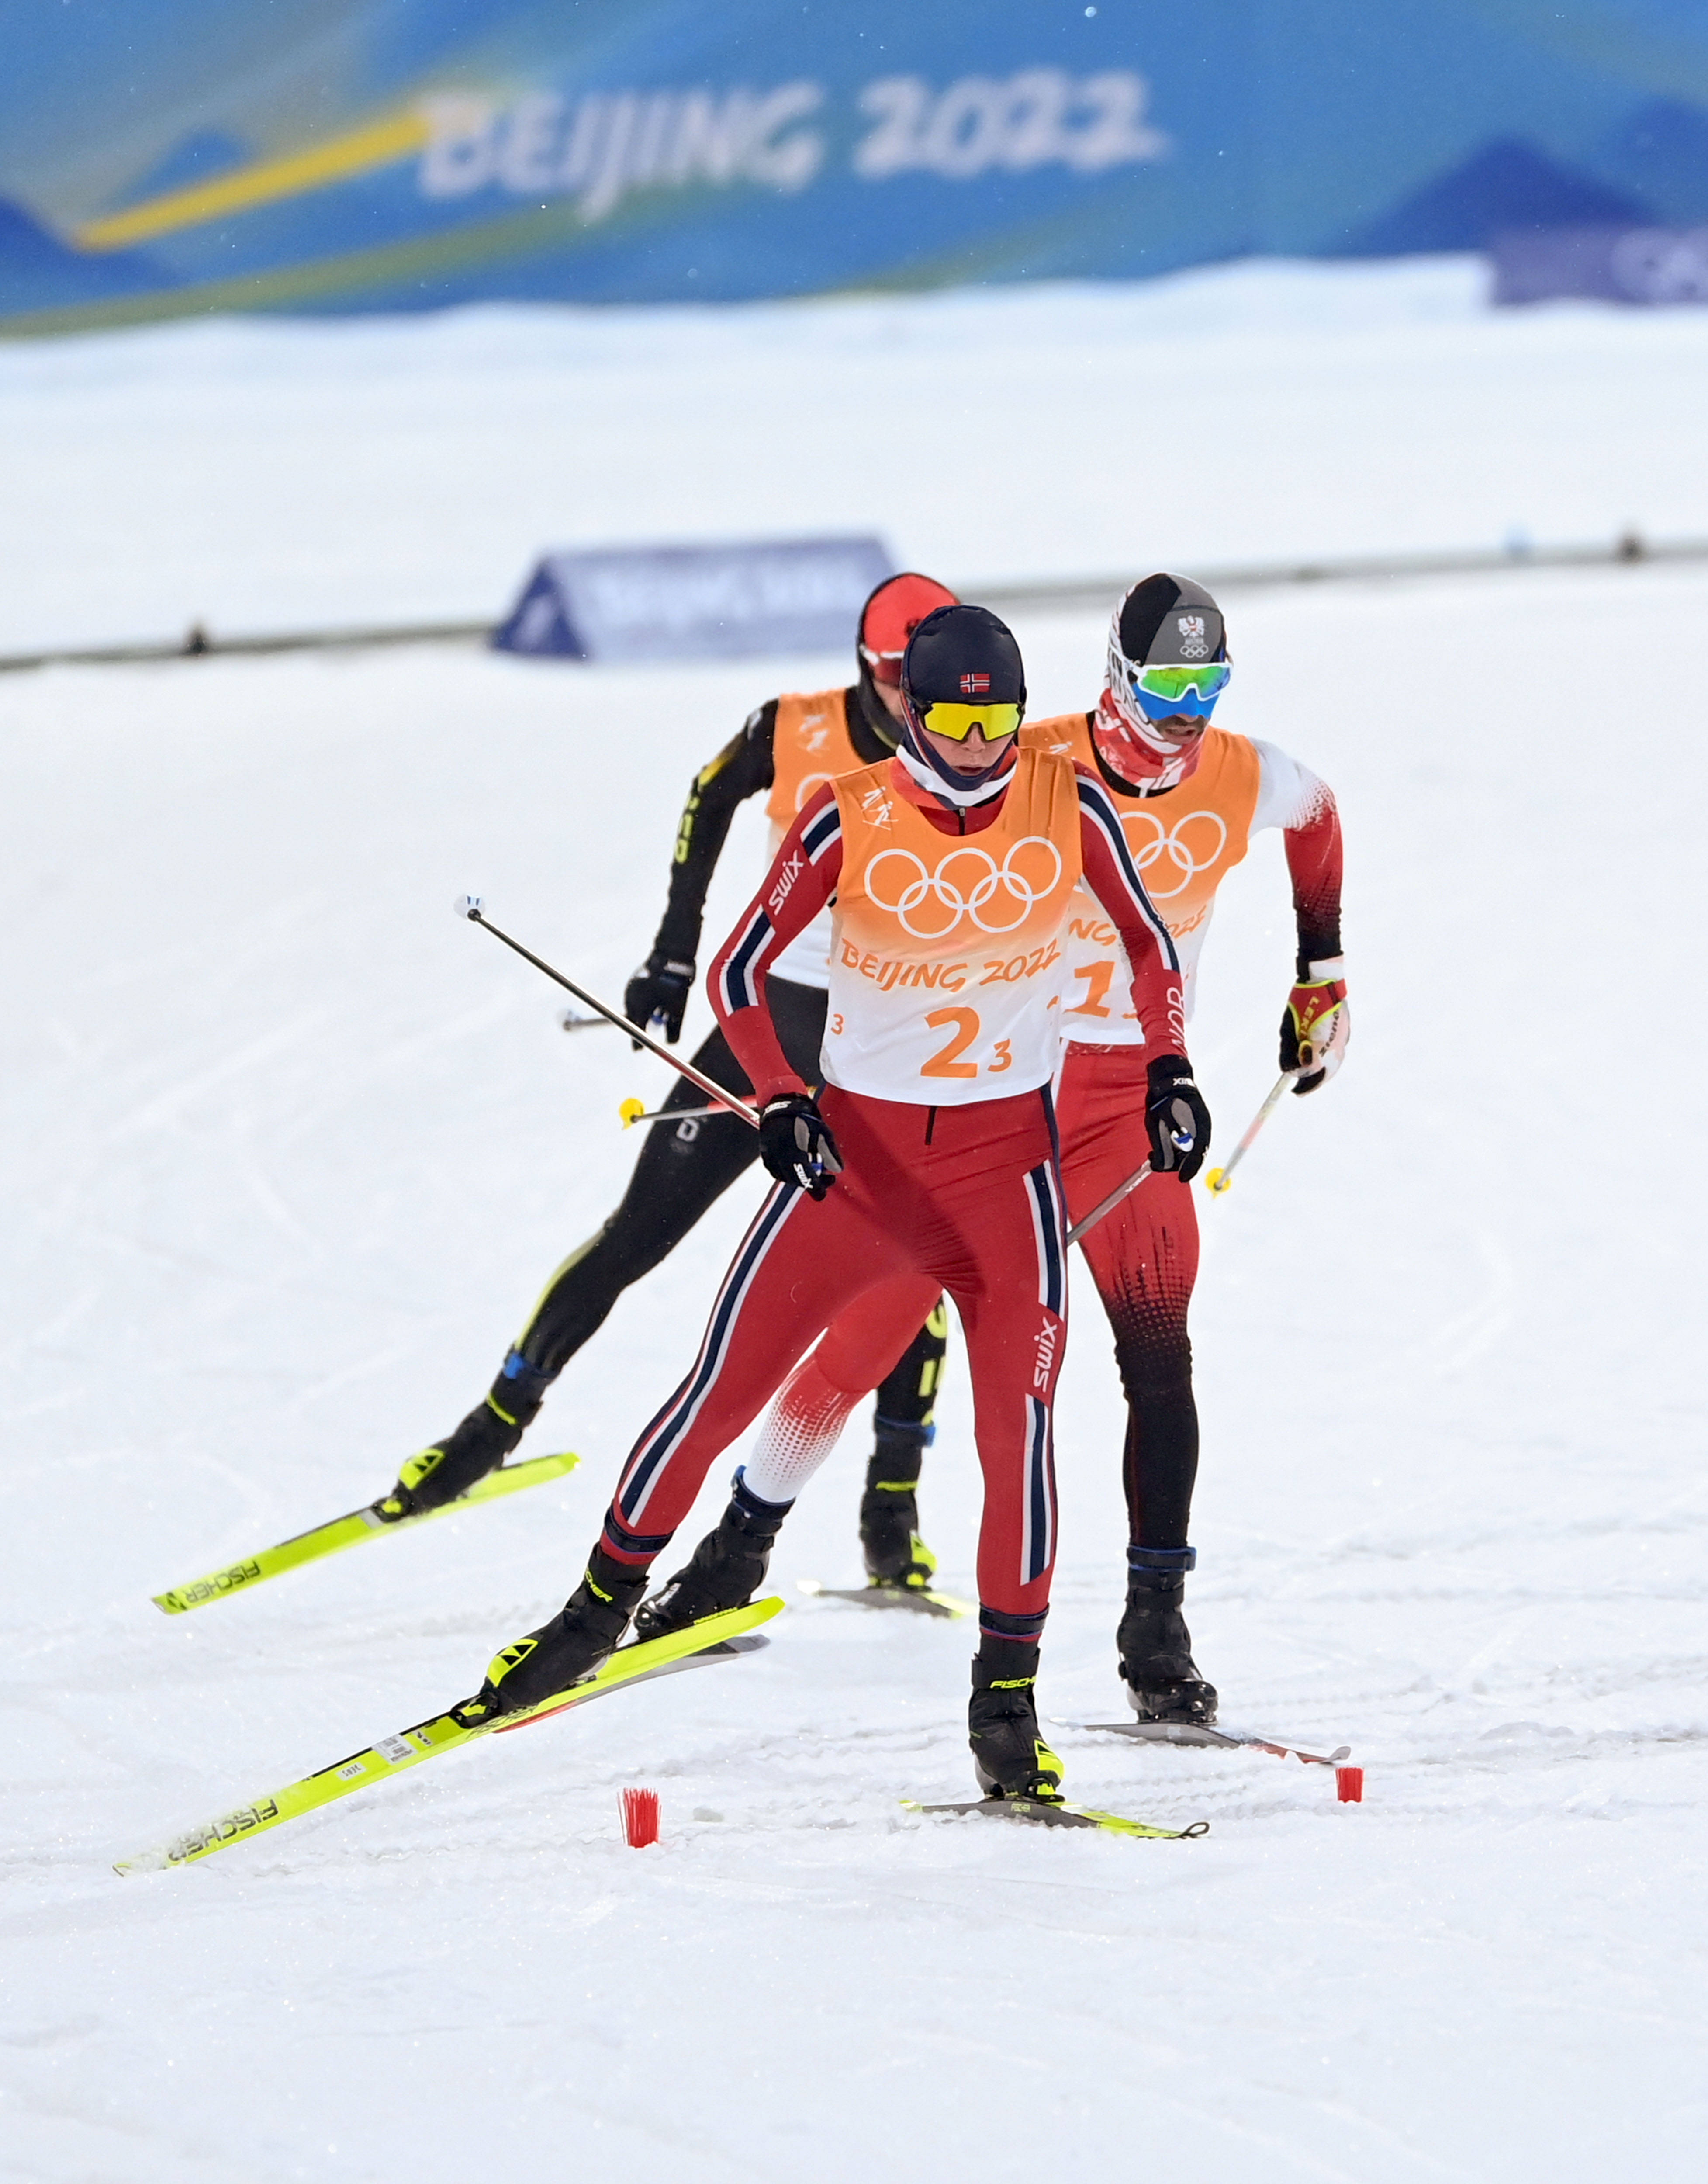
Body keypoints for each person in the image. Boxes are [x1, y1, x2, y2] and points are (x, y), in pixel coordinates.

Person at [463, 605, 1210, 1804]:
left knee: (1016, 1436)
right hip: (857, 1170)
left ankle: (1003, 1705)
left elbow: (1147, 946)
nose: (977, 743)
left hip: (1002, 1173)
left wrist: (1168, 1064)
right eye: (954, 717)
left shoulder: (1065, 805)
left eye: (999, 719)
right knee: (718, 1393)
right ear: (908, 707)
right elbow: (741, 969)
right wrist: (778, 1100)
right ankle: (592, 1615)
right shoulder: (845, 812)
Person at [721, 574, 1346, 1726]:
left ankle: (1155, 1626)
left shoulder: (1243, 774)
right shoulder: (1028, 760)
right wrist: (805, 1066)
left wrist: (1321, 975)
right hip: (1004, 1099)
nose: (1186, 713)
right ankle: (736, 1542)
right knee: (875, 1323)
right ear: (1111, 679)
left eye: (1206, 686)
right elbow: (879, 851)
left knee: (1157, 1358)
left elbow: (1315, 815)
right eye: (1164, 686)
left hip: (1125, 1104)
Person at [370, 575, 960, 1586]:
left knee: (913, 1276)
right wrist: (673, 956)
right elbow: (707, 793)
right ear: (864, 670)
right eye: (898, 681)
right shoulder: (796, 727)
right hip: (766, 1034)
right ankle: (495, 1421)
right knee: (636, 1234)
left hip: (876, 1053)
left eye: (933, 684)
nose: (920, 706)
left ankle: (888, 1511)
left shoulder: (975, 764)